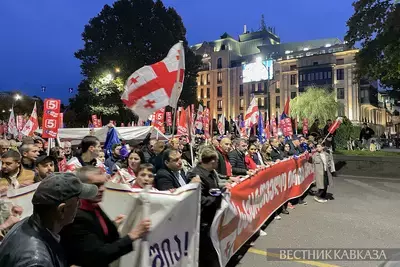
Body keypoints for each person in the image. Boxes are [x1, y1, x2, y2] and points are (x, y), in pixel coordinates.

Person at [0, 172, 99, 267]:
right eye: (77, 201)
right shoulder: (37, 261)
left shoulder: (26, 223)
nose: (80, 204)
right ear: (62, 210)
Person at [60, 166, 151, 267]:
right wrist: (133, 235)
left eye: (103, 184)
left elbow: (95, 234)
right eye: (96, 185)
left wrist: (112, 225)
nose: (102, 189)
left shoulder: (92, 205)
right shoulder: (76, 216)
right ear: (81, 187)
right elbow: (98, 256)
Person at [187, 148, 228, 267]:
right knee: (208, 255)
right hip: (203, 220)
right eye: (217, 161)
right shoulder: (196, 176)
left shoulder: (210, 172)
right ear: (212, 161)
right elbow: (201, 200)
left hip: (211, 217)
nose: (218, 163)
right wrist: (217, 196)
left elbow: (217, 183)